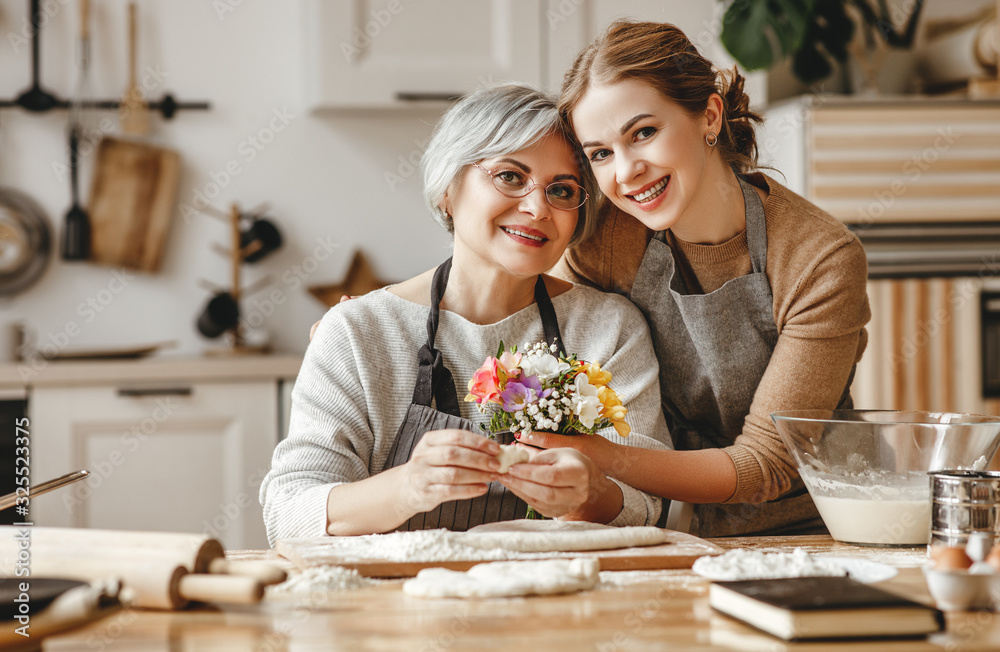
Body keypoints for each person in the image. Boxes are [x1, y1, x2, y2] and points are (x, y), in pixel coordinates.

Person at [261, 83, 671, 546]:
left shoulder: (609, 330)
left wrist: (592, 496)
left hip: (558, 603)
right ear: (448, 190)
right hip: (397, 608)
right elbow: (289, 514)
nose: (538, 208)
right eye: (511, 177)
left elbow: (650, 505)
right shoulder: (358, 333)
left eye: (561, 190)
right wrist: (407, 487)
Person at [524, 20, 871, 538]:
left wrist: (599, 455)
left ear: (709, 116)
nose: (625, 172)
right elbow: (522, 307)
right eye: (600, 153)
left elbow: (765, 465)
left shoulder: (818, 257)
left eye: (644, 133)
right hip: (664, 524)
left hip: (812, 528)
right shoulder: (608, 240)